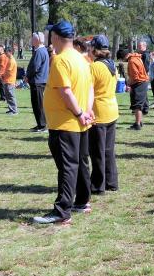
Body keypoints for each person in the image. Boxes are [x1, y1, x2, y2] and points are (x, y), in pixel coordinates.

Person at [33, 20, 94, 225]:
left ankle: (62, 210)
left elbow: (66, 92)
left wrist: (79, 113)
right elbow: (90, 88)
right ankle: (82, 201)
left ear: (56, 37)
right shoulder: (81, 59)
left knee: (67, 167)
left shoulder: (61, 60)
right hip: (78, 121)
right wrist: (86, 111)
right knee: (79, 163)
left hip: (65, 123)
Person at [88, 35, 119, 194]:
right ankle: (111, 182)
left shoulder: (95, 67)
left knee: (97, 151)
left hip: (98, 113)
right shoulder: (112, 65)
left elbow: (89, 89)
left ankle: (98, 185)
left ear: (94, 49)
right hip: (112, 110)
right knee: (108, 150)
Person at [25, 32, 50, 132]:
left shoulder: (40, 51)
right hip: (39, 81)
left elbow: (35, 67)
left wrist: (27, 76)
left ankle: (42, 125)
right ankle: (40, 124)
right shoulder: (42, 50)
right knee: (37, 104)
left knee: (38, 104)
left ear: (38, 40)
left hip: (37, 81)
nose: (31, 40)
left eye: (33, 38)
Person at [125, 48, 149, 130]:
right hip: (142, 82)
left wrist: (129, 85)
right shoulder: (136, 58)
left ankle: (137, 125)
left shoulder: (131, 61)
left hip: (139, 83)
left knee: (137, 105)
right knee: (138, 104)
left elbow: (135, 76)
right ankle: (139, 121)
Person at [1, 47, 18, 115]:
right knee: (8, 96)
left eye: (6, 52)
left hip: (10, 81)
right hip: (7, 80)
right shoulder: (9, 59)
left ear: (10, 52)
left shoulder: (11, 60)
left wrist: (2, 75)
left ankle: (14, 110)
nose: (5, 54)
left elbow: (8, 71)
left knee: (11, 96)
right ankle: (11, 109)